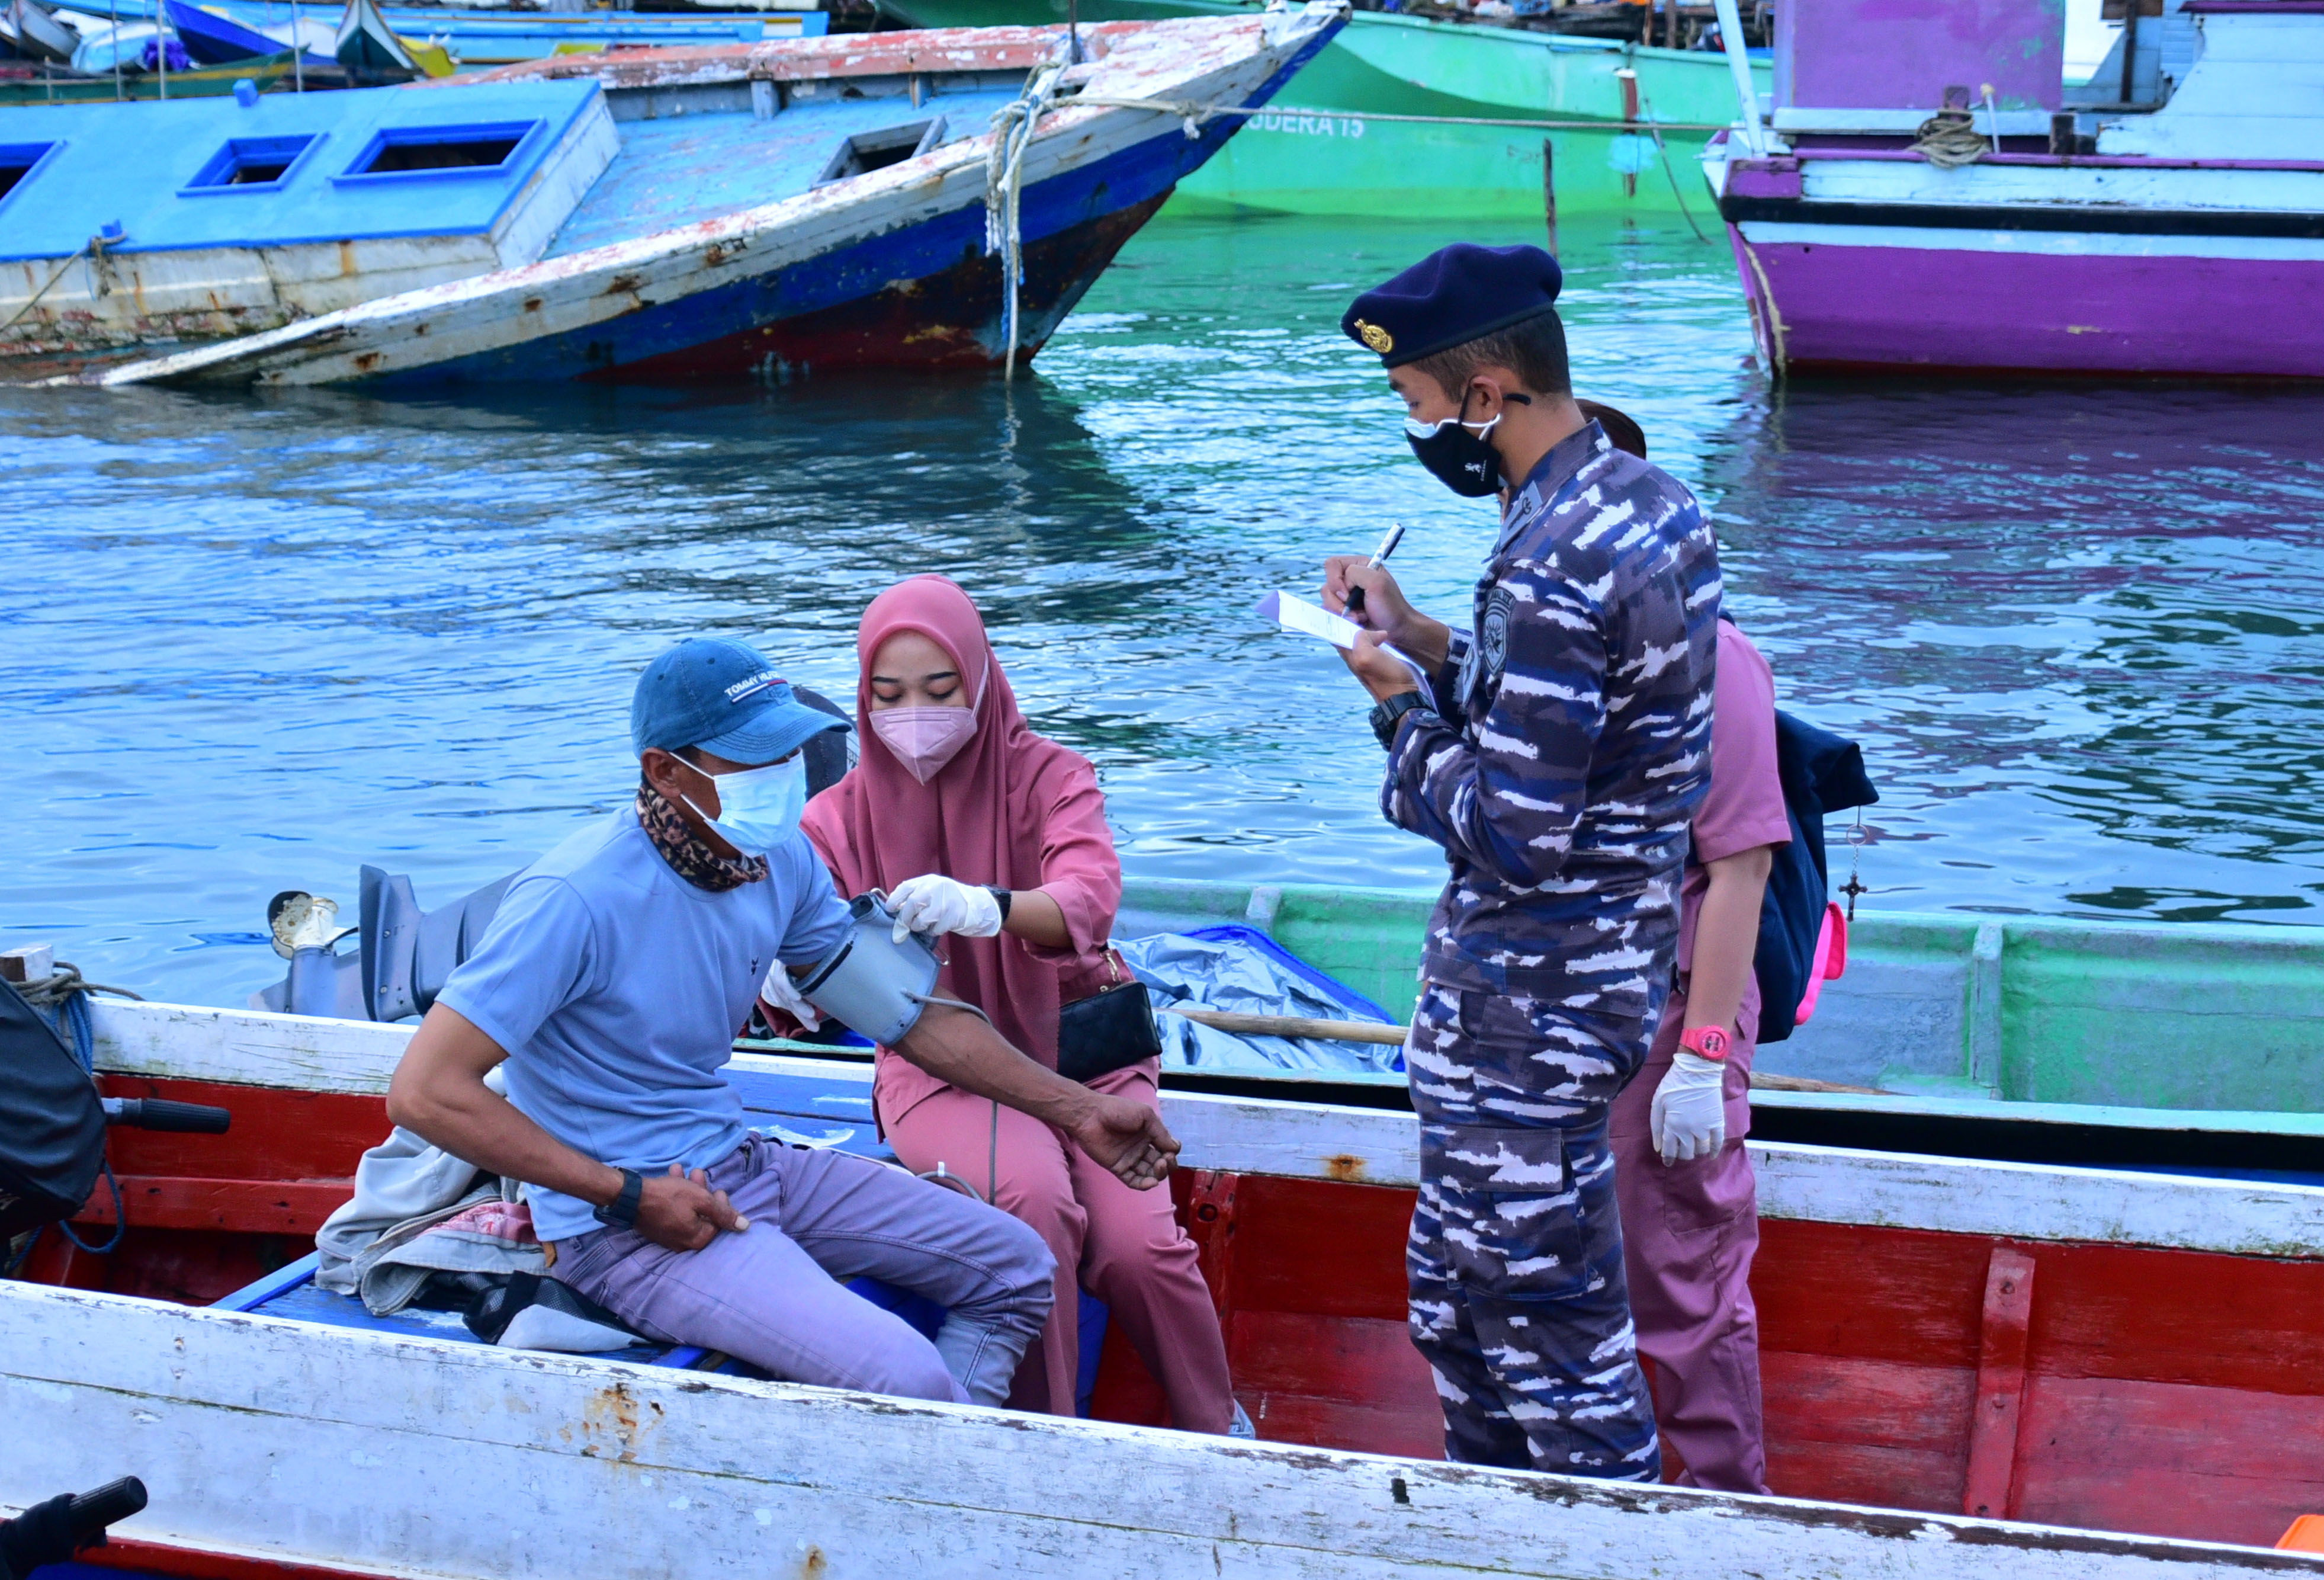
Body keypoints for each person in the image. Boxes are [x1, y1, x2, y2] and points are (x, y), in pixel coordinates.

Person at [384, 635, 1182, 1406]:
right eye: (754, 758)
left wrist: (1079, 1112)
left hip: (739, 1162)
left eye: (790, 752)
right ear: (665, 771)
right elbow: (424, 1092)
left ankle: (937, 1469)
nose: (783, 776)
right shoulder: (575, 899)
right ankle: (936, 1469)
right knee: (905, 1378)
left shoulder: (778, 860)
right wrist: (625, 1194)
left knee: (1017, 1266)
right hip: (624, 1224)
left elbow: (907, 1019)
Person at [1320, 242, 1720, 1480]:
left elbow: (1516, 827)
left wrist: (1394, 710)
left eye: (1423, 405)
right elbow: (1569, 717)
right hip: (1581, 982)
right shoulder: (1642, 502)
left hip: (1528, 1008)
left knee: (1549, 1343)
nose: (1424, 430)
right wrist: (1424, 635)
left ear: (1488, 391)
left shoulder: (1547, 559)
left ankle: (1607, 1548)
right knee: (1457, 1304)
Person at [798, 575, 1241, 1434]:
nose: (915, 715)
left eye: (940, 690)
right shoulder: (834, 821)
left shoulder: (1052, 777)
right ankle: (1045, 1437)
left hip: (1084, 1046)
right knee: (1033, 1207)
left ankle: (1216, 1427)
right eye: (888, 695)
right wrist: (786, 967)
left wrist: (988, 906)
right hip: (939, 1068)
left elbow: (1087, 895)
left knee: (1140, 1248)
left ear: (981, 680)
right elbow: (801, 968)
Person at [1608, 614, 1789, 1492]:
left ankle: (1727, 1504)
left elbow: (1741, 869)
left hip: (1674, 1007)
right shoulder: (1539, 627)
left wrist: (1702, 1060)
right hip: (1569, 1006)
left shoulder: (1716, 657)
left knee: (1681, 1271)